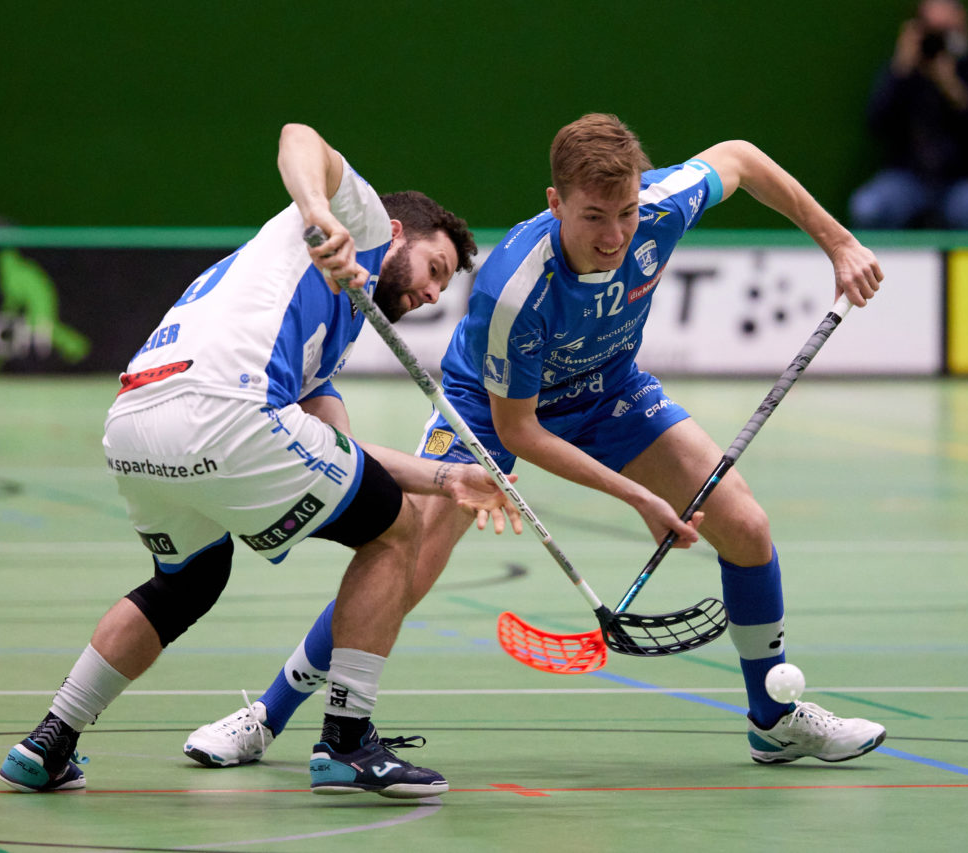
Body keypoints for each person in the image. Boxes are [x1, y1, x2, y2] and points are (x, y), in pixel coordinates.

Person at [185, 112, 888, 770]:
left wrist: (839, 242)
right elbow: (520, 429)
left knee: (746, 525)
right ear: (555, 203)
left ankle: (773, 716)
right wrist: (638, 496)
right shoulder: (513, 289)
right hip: (489, 407)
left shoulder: (664, 206)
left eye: (626, 214)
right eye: (593, 218)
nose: (614, 236)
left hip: (609, 388)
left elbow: (739, 158)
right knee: (407, 558)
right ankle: (268, 716)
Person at [0, 123, 524, 800]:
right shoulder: (356, 220)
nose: (430, 294)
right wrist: (320, 213)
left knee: (187, 581)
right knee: (395, 530)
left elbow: (347, 456)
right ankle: (346, 741)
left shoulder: (320, 331)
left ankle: (50, 739)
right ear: (397, 233)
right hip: (229, 406)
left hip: (136, 422)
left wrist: (452, 478)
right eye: (435, 270)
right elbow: (298, 136)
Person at [849, 0, 968, 231]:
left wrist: (952, 87)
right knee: (868, 207)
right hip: (904, 179)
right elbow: (876, 123)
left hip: (959, 183)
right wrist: (901, 71)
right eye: (930, 30)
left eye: (944, 31)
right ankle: (868, 268)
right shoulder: (900, 72)